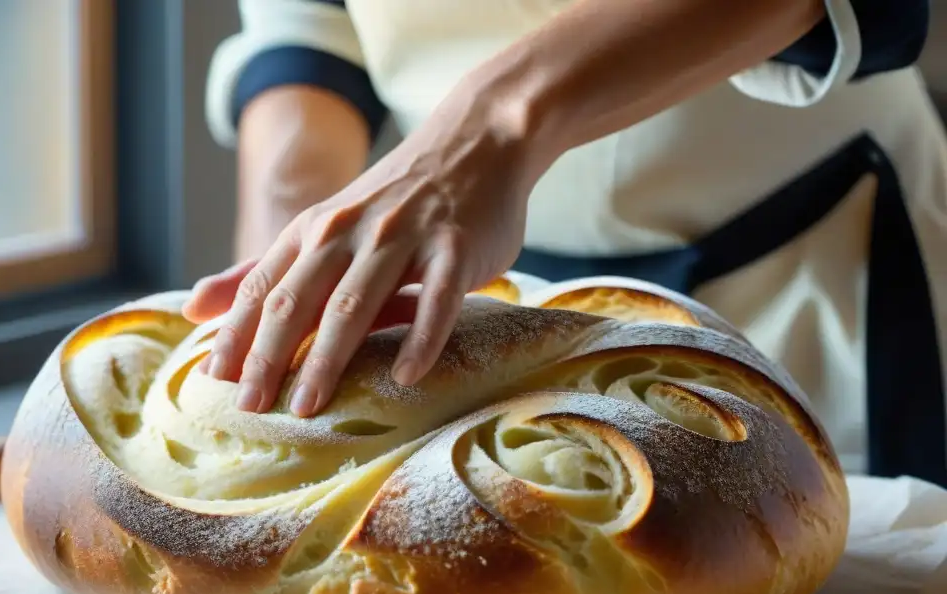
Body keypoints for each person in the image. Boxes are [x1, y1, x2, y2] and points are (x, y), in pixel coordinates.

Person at [186, 0, 947, 486]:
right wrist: (291, 244)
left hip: (815, 268)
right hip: (484, 304)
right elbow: (309, 28)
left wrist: (491, 128)